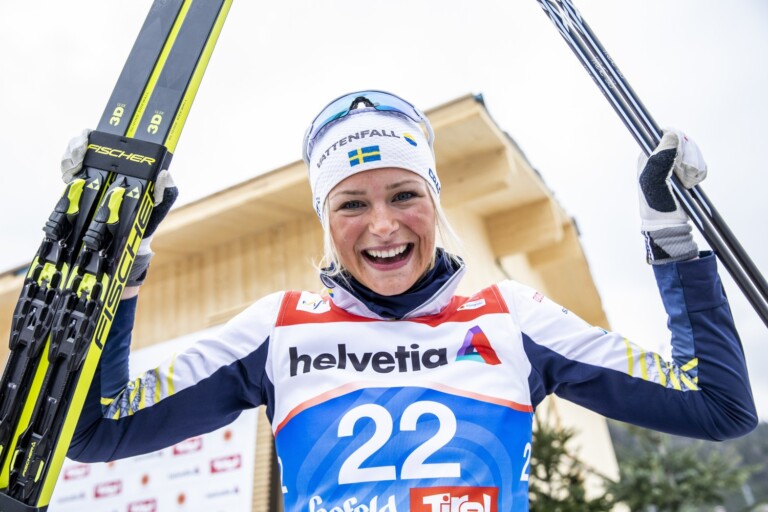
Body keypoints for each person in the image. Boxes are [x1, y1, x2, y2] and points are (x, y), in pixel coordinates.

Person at [68, 90, 757, 511]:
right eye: (351, 204)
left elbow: (717, 406)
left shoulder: (513, 318)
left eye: (404, 195)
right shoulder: (277, 329)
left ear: (434, 201)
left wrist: (672, 236)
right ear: (324, 219)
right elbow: (96, 428)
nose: (383, 225)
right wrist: (111, 269)